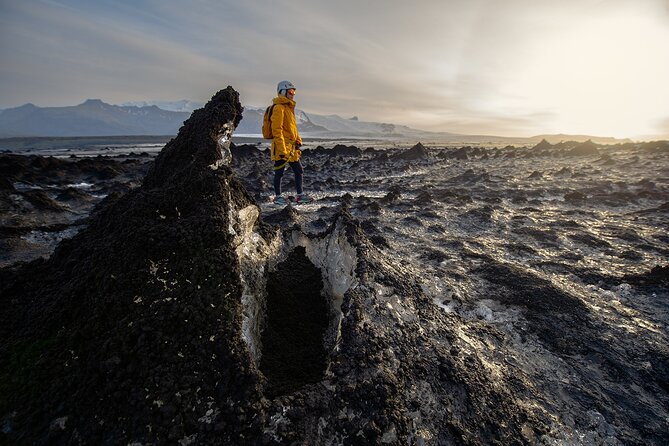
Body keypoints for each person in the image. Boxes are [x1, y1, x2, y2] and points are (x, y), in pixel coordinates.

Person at [270, 80, 311, 205]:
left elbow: (292, 128)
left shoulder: (289, 108)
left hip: (292, 148)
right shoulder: (278, 108)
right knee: (279, 172)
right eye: (291, 91)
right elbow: (277, 130)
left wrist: (298, 140)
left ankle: (300, 195)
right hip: (282, 147)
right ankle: (278, 197)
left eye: (294, 92)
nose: (293, 94)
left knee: (299, 170)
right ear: (282, 92)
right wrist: (281, 148)